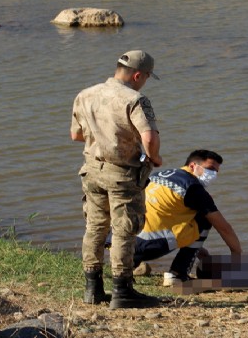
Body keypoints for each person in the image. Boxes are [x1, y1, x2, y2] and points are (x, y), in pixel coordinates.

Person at [71, 49, 163, 309]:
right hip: (122, 174)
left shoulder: (85, 94)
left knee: (95, 226)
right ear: (137, 75)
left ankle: (92, 289)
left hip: (91, 170)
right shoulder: (136, 99)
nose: (144, 81)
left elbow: (75, 135)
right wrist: (153, 157)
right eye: (145, 77)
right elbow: (150, 137)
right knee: (124, 230)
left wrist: (102, 138)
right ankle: (123, 291)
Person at [134, 149, 242, 286]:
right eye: (210, 169)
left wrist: (196, 249)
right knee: (204, 219)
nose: (213, 174)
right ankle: (177, 274)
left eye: (216, 171)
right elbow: (224, 228)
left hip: (121, 242)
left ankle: (128, 263)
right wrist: (237, 253)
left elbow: (168, 214)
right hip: (148, 246)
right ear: (192, 166)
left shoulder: (159, 174)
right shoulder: (193, 188)